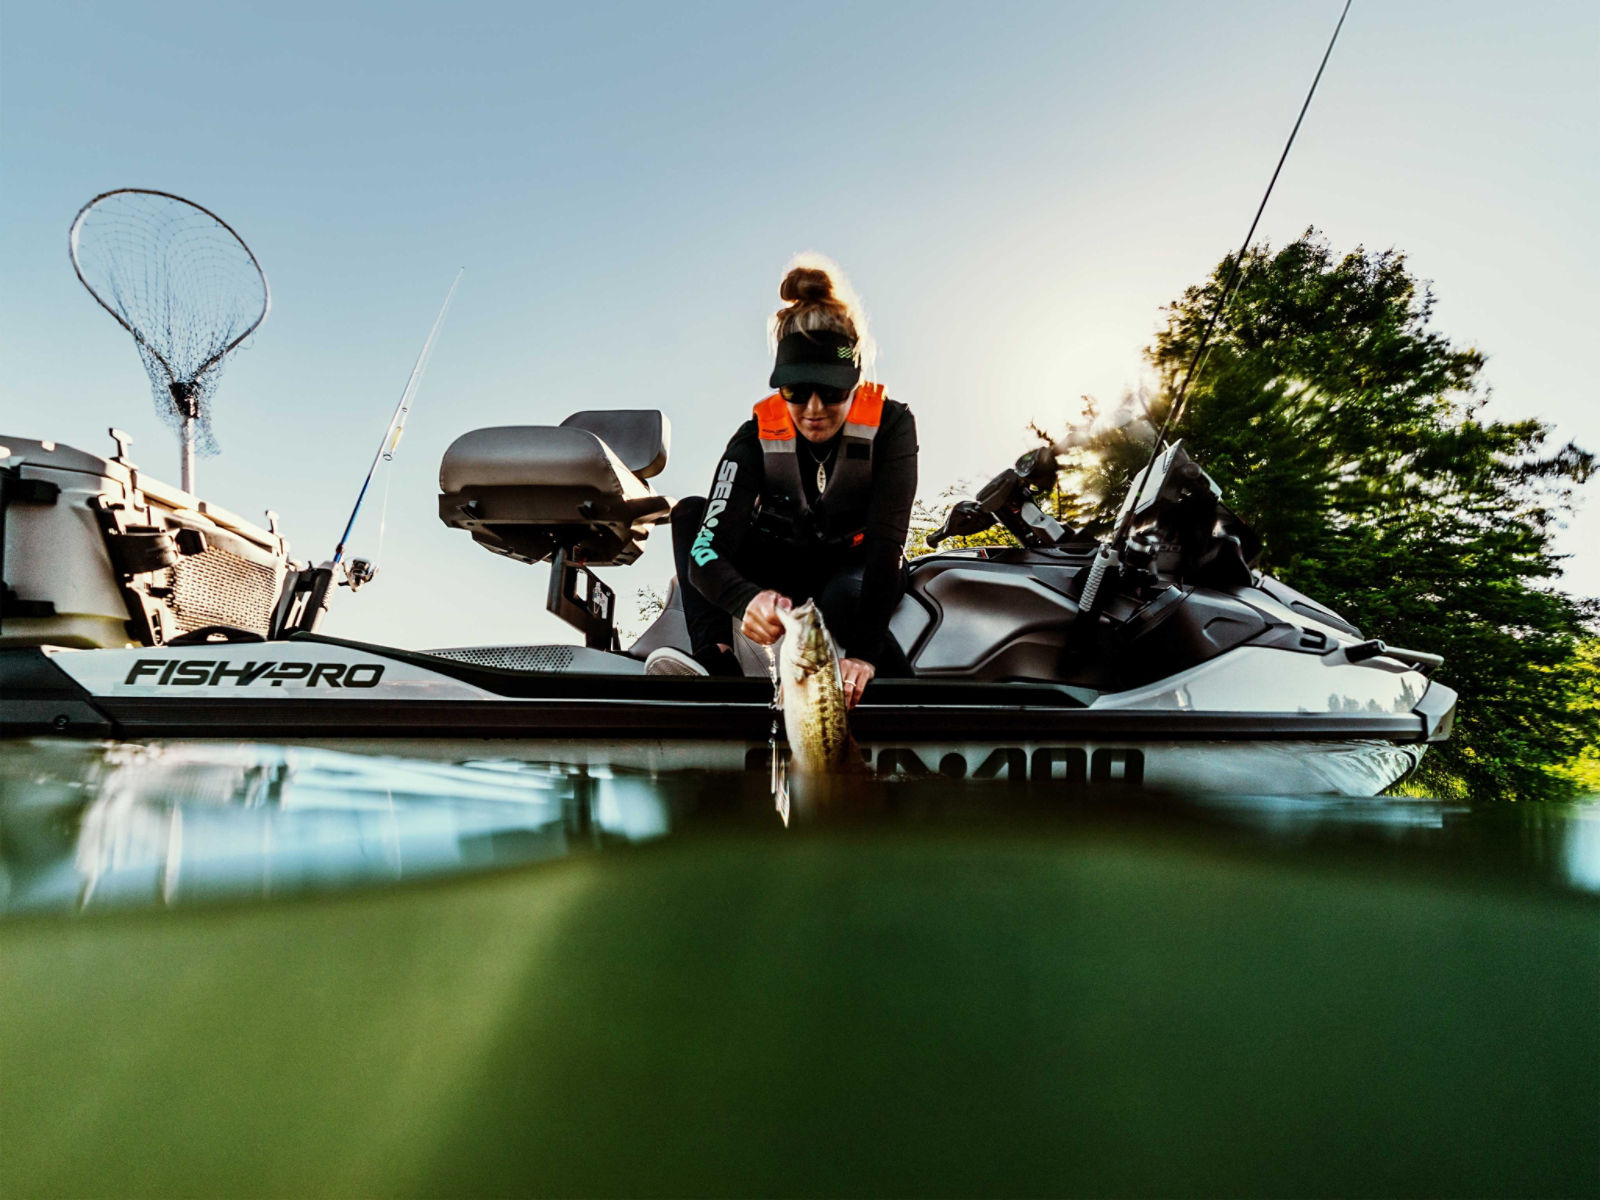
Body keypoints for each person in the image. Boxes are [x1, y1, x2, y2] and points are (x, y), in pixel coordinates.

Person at [646, 257, 918, 709]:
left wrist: (865, 656)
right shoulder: (754, 434)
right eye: (795, 391)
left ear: (855, 380)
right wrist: (745, 599)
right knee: (689, 514)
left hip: (854, 564)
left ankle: (908, 700)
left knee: (839, 600)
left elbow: (887, 545)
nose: (813, 408)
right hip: (780, 561)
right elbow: (705, 549)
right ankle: (716, 664)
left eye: (831, 391)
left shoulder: (892, 424)